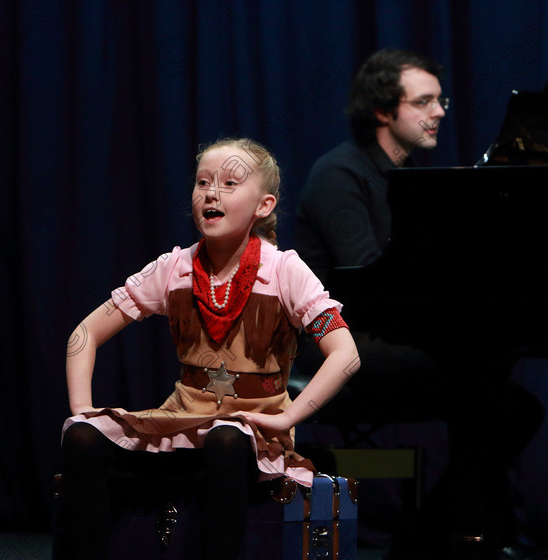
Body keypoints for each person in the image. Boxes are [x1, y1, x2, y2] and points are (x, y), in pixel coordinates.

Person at [56, 137, 361, 560]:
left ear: (264, 206)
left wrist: (288, 417)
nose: (211, 193)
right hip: (182, 422)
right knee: (83, 437)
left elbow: (346, 354)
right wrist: (80, 409)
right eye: (202, 183)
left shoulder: (285, 270)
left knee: (226, 439)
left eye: (230, 183)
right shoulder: (173, 268)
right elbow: (83, 334)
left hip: (252, 432)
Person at [295, 49, 545, 559]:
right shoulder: (339, 174)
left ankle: (447, 533)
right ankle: (449, 535)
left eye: (441, 100)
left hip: (387, 334)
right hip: (336, 348)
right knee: (493, 394)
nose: (440, 111)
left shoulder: (405, 178)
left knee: (503, 396)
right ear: (384, 111)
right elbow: (364, 282)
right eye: (424, 101)